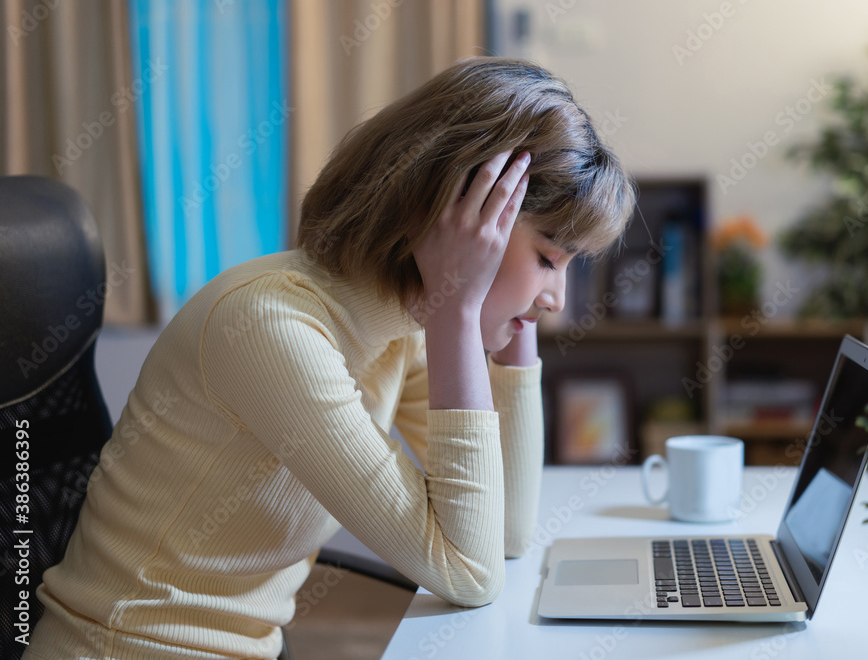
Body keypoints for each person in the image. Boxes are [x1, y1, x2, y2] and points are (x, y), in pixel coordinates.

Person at [24, 56, 635, 659]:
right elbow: (467, 570)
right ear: (452, 215)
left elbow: (504, 532)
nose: (558, 300)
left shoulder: (402, 325)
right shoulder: (269, 328)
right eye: (552, 260)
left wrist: (510, 320)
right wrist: (462, 309)